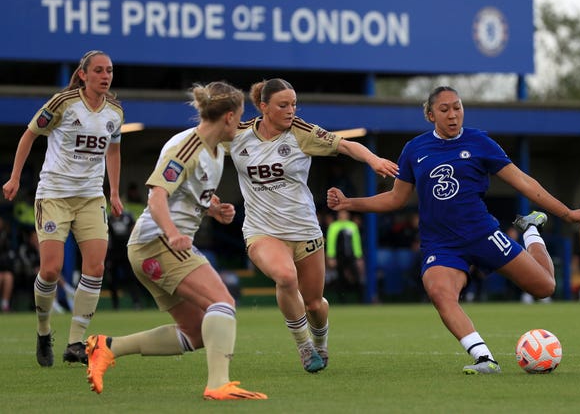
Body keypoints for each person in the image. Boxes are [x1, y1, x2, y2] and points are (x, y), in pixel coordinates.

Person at [327, 86, 580, 374]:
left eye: (457, 107)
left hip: (482, 234)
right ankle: (484, 359)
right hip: (441, 244)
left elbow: (524, 183)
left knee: (545, 288)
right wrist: (349, 202)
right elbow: (395, 198)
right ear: (430, 115)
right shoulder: (414, 149)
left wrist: (566, 213)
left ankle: (530, 230)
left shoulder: (480, 142)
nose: (453, 115)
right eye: (444, 110)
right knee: (440, 292)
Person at [84, 81, 267, 401]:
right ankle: (218, 384)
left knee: (195, 333)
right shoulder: (187, 147)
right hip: (157, 242)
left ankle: (107, 347)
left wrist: (213, 209)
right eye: (238, 117)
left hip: (155, 245)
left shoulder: (213, 151)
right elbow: (156, 198)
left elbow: (184, 196)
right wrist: (173, 233)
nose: (239, 124)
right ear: (227, 116)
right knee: (223, 302)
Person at [226, 78, 398, 373]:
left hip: (304, 230)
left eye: (294, 104)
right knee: (285, 276)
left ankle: (320, 344)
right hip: (261, 230)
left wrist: (373, 159)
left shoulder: (301, 132)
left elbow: (346, 145)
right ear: (264, 107)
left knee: (315, 305)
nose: (291, 110)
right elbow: (202, 143)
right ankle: (305, 349)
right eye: (283, 105)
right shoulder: (238, 134)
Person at [2, 50, 124, 366]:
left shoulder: (115, 110)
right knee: (51, 269)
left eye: (109, 70)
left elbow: (113, 151)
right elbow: (30, 134)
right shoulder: (63, 103)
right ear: (83, 74)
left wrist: (113, 192)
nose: (105, 75)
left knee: (95, 267)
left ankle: (74, 343)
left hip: (90, 198)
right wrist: (15, 177)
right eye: (98, 70)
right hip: (54, 196)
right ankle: (44, 331)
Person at [325, 209, 365, 303]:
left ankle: (361, 299)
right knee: (340, 278)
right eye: (341, 213)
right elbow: (331, 242)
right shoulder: (334, 226)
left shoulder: (352, 226)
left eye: (344, 213)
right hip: (339, 257)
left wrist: (359, 257)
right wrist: (331, 256)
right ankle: (342, 300)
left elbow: (356, 242)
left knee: (357, 276)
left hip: (350, 256)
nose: (343, 215)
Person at [0, 216, 16, 312]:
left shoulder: (5, 236)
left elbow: (9, 256)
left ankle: (5, 304)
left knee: (8, 277)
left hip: (3, 268)